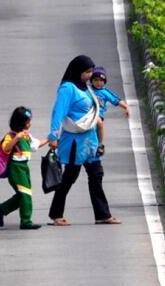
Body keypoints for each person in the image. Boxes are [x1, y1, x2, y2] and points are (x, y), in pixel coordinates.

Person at [47, 55, 121, 226]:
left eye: (91, 72)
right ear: (78, 71)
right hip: (74, 143)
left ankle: (103, 215)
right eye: (87, 72)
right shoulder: (68, 88)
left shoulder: (86, 88)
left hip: (90, 141)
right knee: (69, 178)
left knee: (96, 175)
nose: (90, 75)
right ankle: (56, 214)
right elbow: (58, 112)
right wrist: (53, 136)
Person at [0, 107, 48, 230]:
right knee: (25, 195)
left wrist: (51, 138)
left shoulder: (27, 136)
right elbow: (5, 148)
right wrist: (16, 138)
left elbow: (36, 145)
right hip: (16, 169)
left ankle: (3, 208)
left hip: (24, 167)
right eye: (28, 122)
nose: (30, 124)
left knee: (23, 194)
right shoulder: (11, 135)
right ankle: (26, 221)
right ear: (21, 123)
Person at [90, 66, 130, 156]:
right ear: (91, 80)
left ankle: (100, 144)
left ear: (104, 82)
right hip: (87, 113)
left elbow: (116, 100)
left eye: (101, 80)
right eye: (95, 80)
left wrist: (126, 107)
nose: (98, 83)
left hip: (98, 114)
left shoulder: (105, 92)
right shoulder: (87, 89)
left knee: (99, 123)